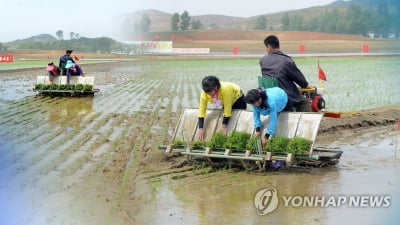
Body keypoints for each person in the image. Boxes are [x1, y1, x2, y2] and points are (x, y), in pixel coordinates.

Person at [260, 35, 312, 112]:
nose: (266, 50)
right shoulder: (287, 61)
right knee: (305, 102)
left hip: (268, 95)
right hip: (285, 96)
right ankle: (307, 122)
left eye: (266, 48)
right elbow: (299, 79)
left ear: (269, 47)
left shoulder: (263, 60)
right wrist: (306, 85)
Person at [197, 76, 246, 140]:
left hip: (238, 98)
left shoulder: (225, 89)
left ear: (216, 87)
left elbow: (227, 108)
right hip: (224, 100)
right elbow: (201, 110)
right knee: (225, 119)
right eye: (207, 93)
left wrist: (224, 126)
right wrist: (201, 128)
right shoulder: (205, 93)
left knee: (237, 119)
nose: (209, 94)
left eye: (210, 92)